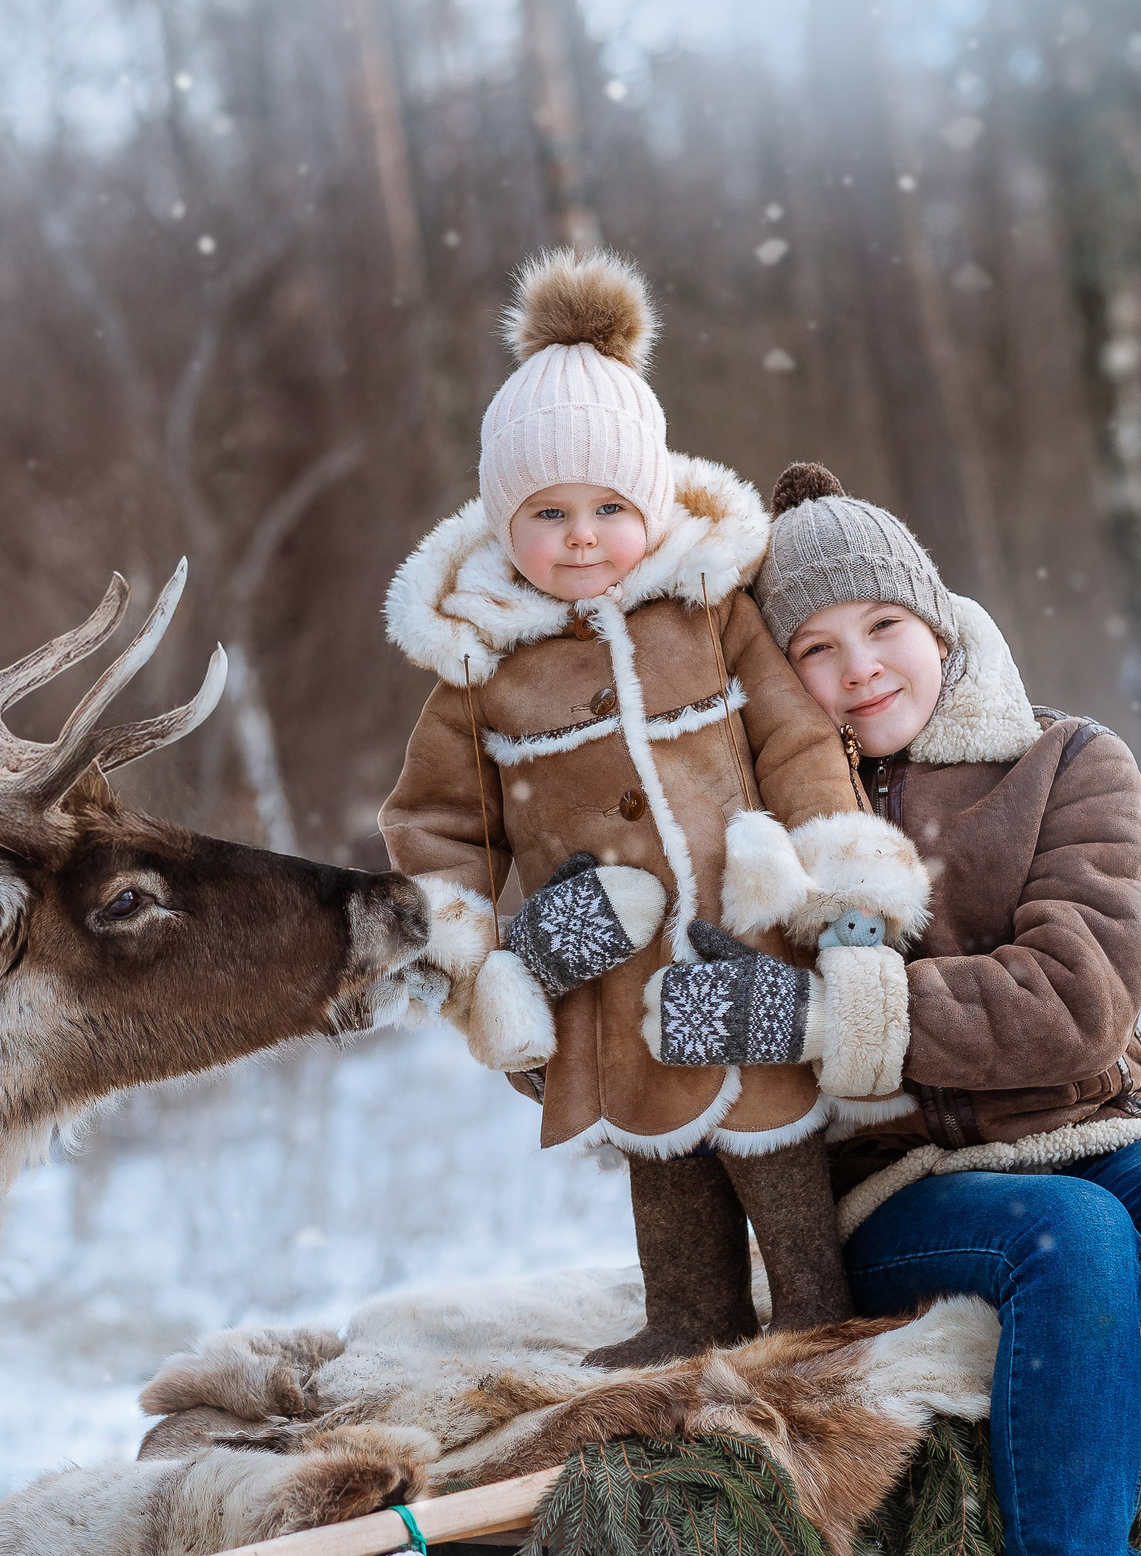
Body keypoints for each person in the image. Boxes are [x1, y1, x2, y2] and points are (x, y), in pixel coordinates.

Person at [652, 462, 1141, 1556]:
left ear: (936, 621)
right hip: (897, 1186)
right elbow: (654, 1033)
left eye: (882, 627)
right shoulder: (760, 829)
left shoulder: (1068, 763)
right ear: (775, 675)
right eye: (812, 648)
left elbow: (1074, 1006)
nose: (860, 667)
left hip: (1098, 1126)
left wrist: (821, 1011)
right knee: (1068, 1239)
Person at [378, 258, 929, 1369]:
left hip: (743, 938)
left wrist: (835, 871)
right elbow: (436, 823)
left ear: (654, 504)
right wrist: (477, 958)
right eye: (548, 514)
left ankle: (814, 1309)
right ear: (502, 520)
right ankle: (688, 1312)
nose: (581, 537)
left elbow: (793, 737)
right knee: (660, 1151)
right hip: (604, 963)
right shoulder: (485, 670)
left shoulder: (710, 613)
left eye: (608, 509)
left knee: (773, 1137)